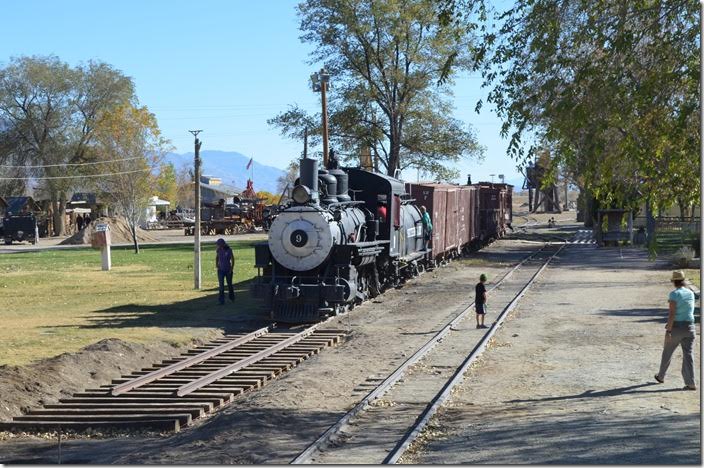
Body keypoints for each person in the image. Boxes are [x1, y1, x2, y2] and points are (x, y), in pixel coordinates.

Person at [654, 270, 696, 390]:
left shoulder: (674, 294)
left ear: (674, 282)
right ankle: (691, 382)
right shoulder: (691, 293)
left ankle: (661, 376)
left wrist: (668, 331)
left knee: (667, 351)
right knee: (688, 355)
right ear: (683, 281)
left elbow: (672, 314)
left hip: (677, 327)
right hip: (690, 327)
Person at [215, 238, 235, 305]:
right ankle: (221, 300)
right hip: (221, 270)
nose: (218, 246)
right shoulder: (218, 250)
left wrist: (231, 269)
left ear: (222, 244)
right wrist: (217, 265)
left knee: (229, 284)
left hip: (228, 270)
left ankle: (232, 297)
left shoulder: (229, 250)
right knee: (221, 286)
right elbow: (217, 257)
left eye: (219, 244)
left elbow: (232, 259)